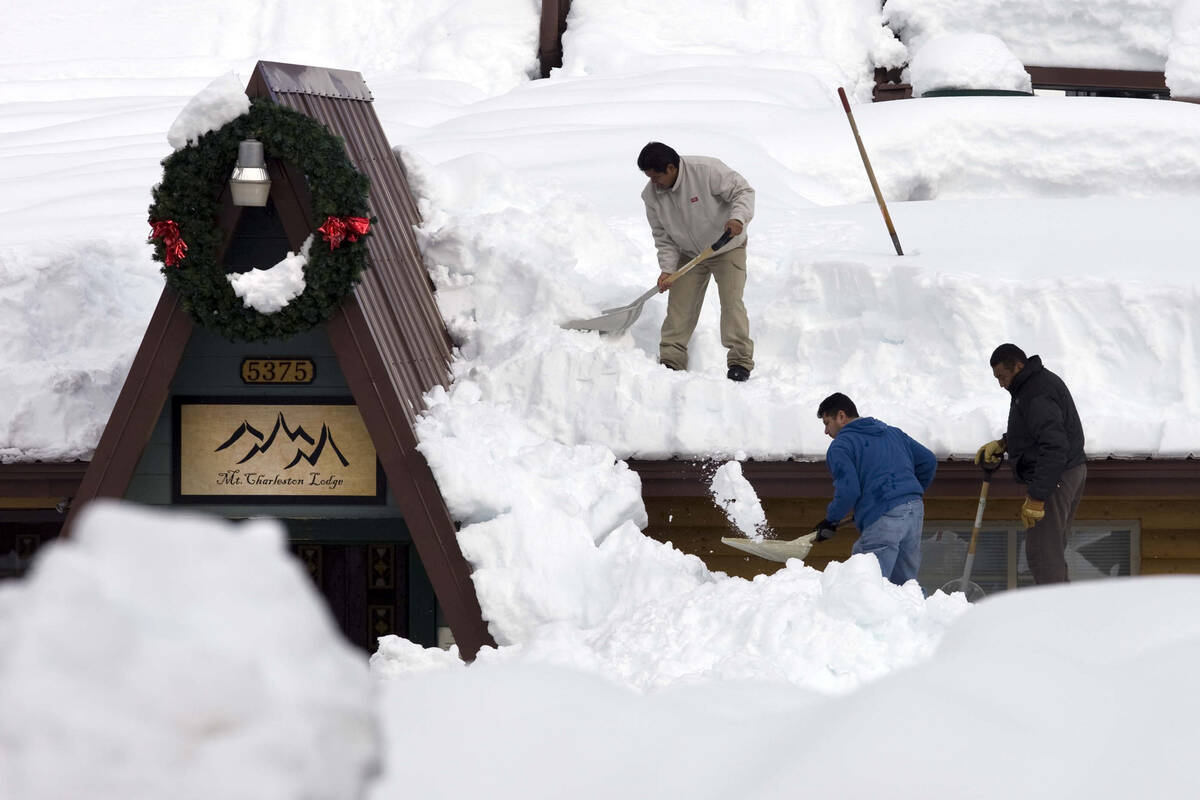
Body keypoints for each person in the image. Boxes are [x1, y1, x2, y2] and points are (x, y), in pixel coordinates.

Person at [637, 141, 755, 381]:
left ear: (671, 168)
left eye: (656, 177)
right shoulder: (651, 196)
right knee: (679, 307)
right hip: (689, 253)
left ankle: (740, 361)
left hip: (726, 246)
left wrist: (738, 218)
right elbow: (663, 236)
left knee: (731, 304)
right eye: (648, 177)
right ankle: (671, 359)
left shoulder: (706, 170)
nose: (653, 183)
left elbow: (743, 192)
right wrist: (668, 269)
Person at [975, 343, 1086, 584]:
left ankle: (1054, 614)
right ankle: (1059, 610)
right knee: (1049, 549)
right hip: (1064, 471)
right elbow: (1036, 430)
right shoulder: (1032, 385)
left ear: (1018, 366)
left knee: (1043, 552)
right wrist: (1004, 443)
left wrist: (1037, 497)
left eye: (1002, 377)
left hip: (1057, 474)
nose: (1001, 384)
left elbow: (1055, 446)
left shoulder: (1036, 392)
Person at [811, 393, 937, 586]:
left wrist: (831, 520)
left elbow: (849, 490)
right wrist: (907, 494)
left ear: (841, 417)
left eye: (827, 423)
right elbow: (928, 461)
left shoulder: (842, 445)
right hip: (914, 512)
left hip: (884, 517)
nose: (826, 431)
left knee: (865, 585)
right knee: (904, 586)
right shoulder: (892, 432)